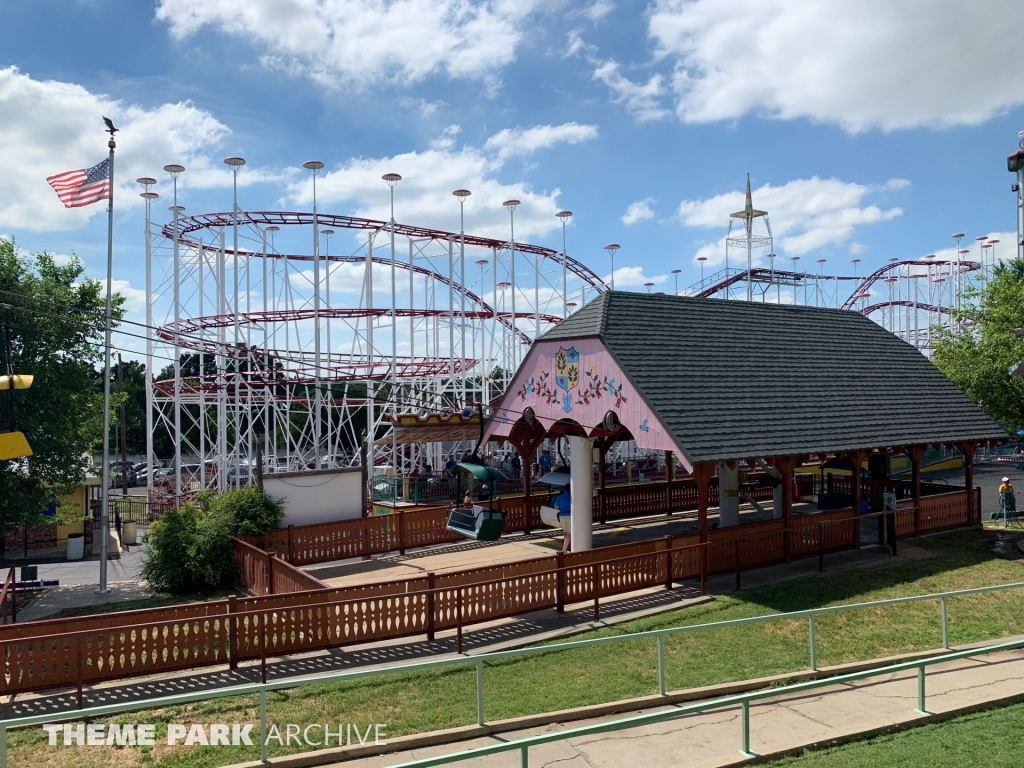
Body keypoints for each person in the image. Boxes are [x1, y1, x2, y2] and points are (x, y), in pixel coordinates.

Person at [553, 486, 572, 552]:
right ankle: (565, 549)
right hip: (570, 515)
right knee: (569, 533)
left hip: (562, 515)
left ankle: (566, 546)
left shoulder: (560, 497)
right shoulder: (573, 496)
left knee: (565, 532)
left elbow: (556, 506)